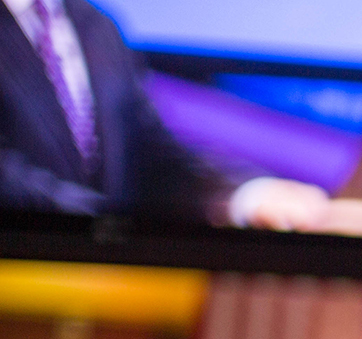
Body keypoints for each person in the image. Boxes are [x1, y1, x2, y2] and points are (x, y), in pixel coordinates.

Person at [0, 0, 335, 227]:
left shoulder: (96, 26)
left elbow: (150, 152)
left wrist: (248, 195)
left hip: (101, 286)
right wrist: (120, 227)